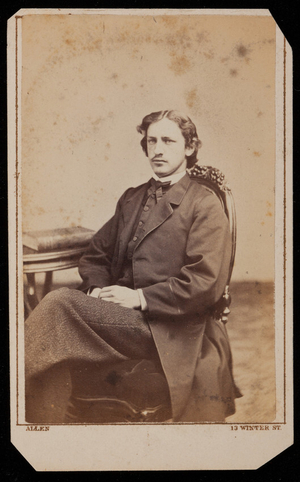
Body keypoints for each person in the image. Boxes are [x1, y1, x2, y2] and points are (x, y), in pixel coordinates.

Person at [25, 110, 241, 423]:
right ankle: (43, 429)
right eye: (152, 140)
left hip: (171, 325)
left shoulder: (204, 204)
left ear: (190, 147)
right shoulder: (132, 198)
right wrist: (97, 290)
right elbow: (97, 254)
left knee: (58, 304)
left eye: (168, 140)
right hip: (124, 319)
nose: (158, 149)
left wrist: (139, 298)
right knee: (55, 338)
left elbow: (204, 283)